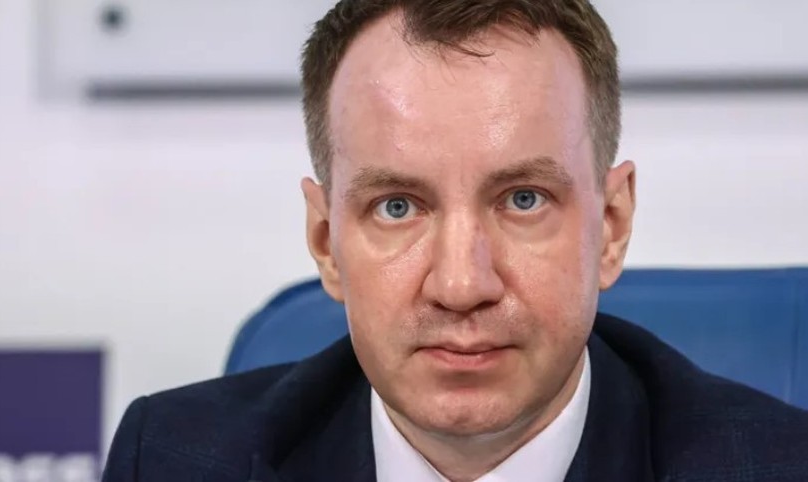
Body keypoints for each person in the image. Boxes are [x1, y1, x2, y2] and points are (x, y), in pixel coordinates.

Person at [102, 1, 808, 481]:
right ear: (325, 241)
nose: (462, 285)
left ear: (611, 228)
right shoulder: (171, 460)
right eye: (397, 207)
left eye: (522, 199)